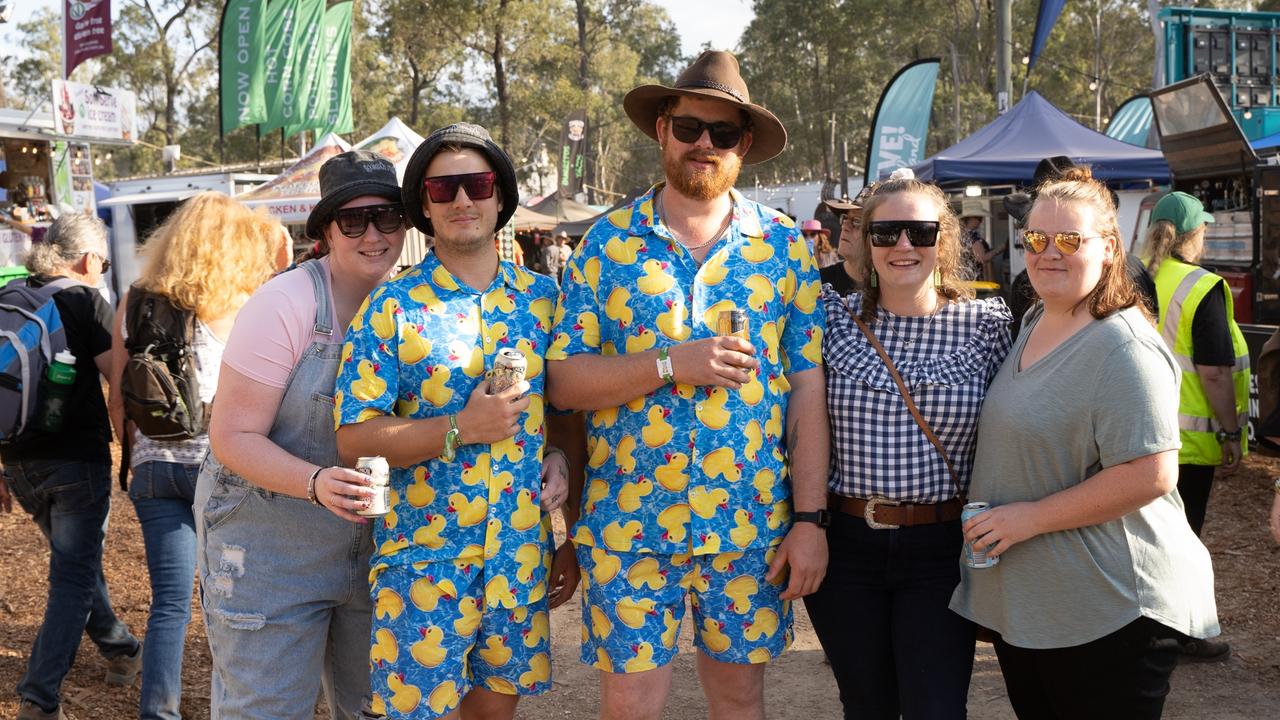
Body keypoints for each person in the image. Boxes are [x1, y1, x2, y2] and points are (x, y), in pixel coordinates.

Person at [546, 50, 831, 720]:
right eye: (690, 127)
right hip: (628, 527)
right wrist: (673, 363)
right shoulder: (606, 245)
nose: (704, 144)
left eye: (723, 133)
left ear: (745, 145)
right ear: (662, 130)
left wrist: (811, 519)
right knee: (631, 707)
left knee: (739, 702)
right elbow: (562, 382)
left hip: (749, 526)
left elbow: (808, 394)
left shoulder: (784, 247)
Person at [334, 122, 583, 720]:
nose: (463, 200)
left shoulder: (548, 300)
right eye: (444, 190)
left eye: (477, 184)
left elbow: (569, 411)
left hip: (518, 559)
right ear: (425, 205)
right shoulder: (392, 307)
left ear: (501, 196)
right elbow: (352, 438)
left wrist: (561, 467)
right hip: (425, 564)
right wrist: (458, 428)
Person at [951, 167, 1221, 719]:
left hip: (1114, 608)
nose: (1050, 252)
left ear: (1109, 248)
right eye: (1037, 239)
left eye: (1071, 239)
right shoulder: (1035, 319)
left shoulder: (1123, 348)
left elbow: (1151, 474)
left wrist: (1027, 519)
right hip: (1046, 604)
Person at [194, 149, 405, 719]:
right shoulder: (285, 303)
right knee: (267, 709)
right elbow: (232, 436)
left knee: (375, 709)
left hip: (379, 553)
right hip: (269, 548)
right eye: (352, 221)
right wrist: (314, 482)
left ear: (406, 224)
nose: (372, 234)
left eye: (385, 216)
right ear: (327, 233)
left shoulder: (417, 304)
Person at [806, 170, 1011, 719]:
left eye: (919, 233)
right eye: (886, 232)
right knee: (867, 706)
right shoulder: (826, 317)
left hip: (942, 550)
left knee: (936, 709)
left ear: (942, 241)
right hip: (846, 546)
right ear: (865, 241)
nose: (902, 246)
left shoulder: (986, 325)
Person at [105, 192, 284, 720]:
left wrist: (135, 456)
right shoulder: (243, 302)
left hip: (155, 469)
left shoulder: (136, 299)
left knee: (169, 605)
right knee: (235, 602)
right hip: (224, 469)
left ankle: (158, 712)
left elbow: (119, 397)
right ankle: (242, 704)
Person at [0, 213, 142, 720]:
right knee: (73, 578)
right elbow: (120, 389)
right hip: (76, 462)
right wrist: (132, 450)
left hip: (18, 462)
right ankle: (38, 698)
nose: (103, 270)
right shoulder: (87, 302)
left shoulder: (11, 298)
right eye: (103, 262)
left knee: (74, 565)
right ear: (87, 259)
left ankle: (119, 647)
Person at [1140, 191, 1247, 662]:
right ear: (1195, 233)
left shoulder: (1135, 275)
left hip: (1137, 434)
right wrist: (1230, 431)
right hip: (1189, 441)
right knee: (1184, 539)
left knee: (1143, 537)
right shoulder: (1202, 286)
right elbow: (1215, 371)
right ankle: (1180, 633)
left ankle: (1141, 631)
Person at [820, 185, 875, 297]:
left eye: (857, 221)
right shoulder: (820, 281)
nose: (845, 226)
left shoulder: (893, 287)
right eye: (845, 218)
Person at [959, 204, 991, 280]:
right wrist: (999, 250)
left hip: (962, 277)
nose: (980, 222)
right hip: (973, 278)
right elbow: (982, 258)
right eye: (979, 218)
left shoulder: (959, 234)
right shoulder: (972, 236)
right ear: (970, 219)